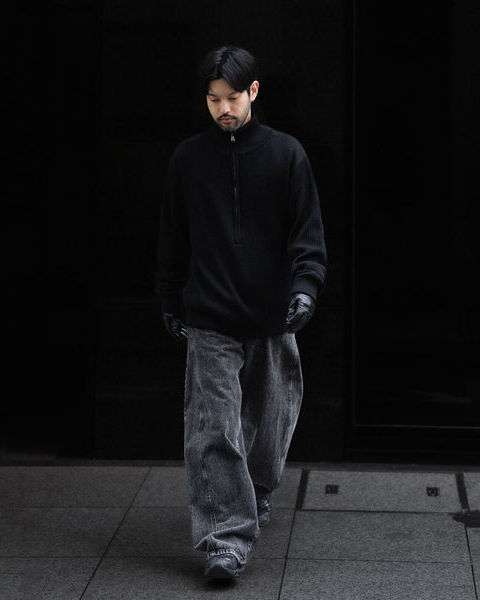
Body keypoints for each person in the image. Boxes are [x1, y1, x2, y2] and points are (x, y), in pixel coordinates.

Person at [156, 46, 327, 581]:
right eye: (213, 99)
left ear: (253, 91)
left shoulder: (287, 155)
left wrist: (305, 288)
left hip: (272, 315)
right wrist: (169, 297)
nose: (223, 109)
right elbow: (173, 236)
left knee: (271, 421)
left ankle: (255, 491)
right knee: (213, 429)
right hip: (209, 314)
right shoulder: (188, 158)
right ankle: (225, 541)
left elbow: (307, 234)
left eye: (232, 97)